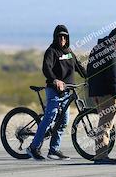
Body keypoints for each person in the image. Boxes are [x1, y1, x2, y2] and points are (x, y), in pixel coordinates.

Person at [27, 25, 86, 160]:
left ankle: (54, 150)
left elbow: (79, 67)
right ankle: (33, 147)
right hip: (54, 90)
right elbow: (46, 69)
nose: (62, 39)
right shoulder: (51, 51)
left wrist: (90, 77)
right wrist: (55, 81)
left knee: (64, 120)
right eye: (60, 36)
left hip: (66, 91)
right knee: (51, 116)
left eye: (65, 36)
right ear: (55, 37)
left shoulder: (69, 52)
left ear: (68, 38)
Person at [87, 26, 116, 164]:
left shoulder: (96, 49)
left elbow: (89, 71)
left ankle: (101, 154)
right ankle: (101, 156)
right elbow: (113, 74)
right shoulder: (111, 52)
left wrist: (93, 90)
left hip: (95, 92)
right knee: (106, 124)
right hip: (107, 93)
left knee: (102, 121)